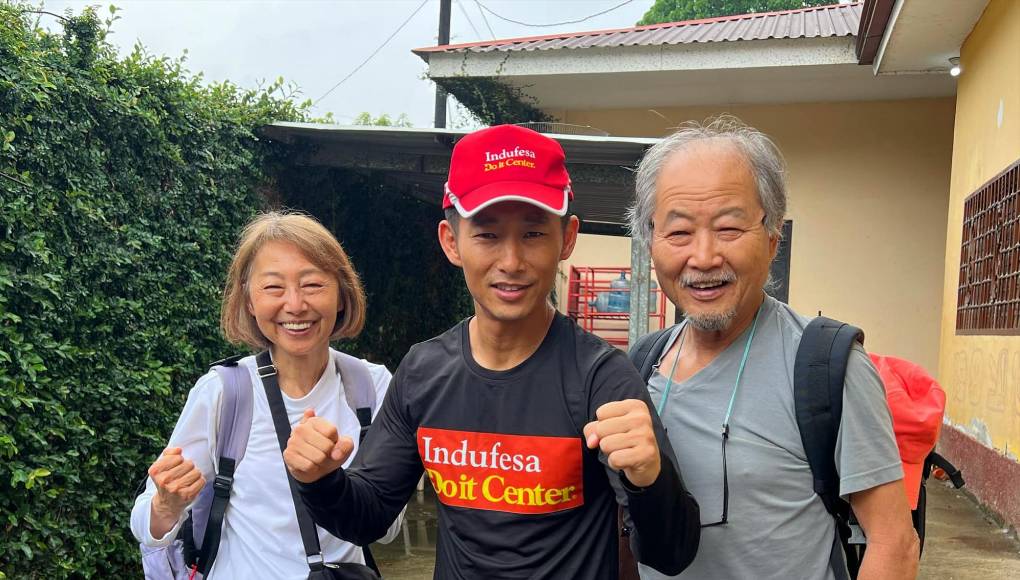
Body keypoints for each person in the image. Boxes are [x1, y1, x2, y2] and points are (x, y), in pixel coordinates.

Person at [283, 124, 700, 579]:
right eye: (486, 234)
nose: (511, 261)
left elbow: (670, 553)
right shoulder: (424, 371)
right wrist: (320, 480)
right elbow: (367, 516)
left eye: (534, 234)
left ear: (566, 239)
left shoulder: (602, 378)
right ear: (451, 241)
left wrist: (649, 479)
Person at [627, 116, 920, 580]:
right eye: (679, 232)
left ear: (772, 237)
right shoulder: (642, 364)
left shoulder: (826, 365)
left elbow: (894, 544)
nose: (703, 257)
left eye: (728, 228)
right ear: (652, 243)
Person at [131, 212, 401, 577]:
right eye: (273, 288)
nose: (295, 304)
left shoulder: (372, 387)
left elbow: (388, 530)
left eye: (313, 285)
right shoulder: (226, 393)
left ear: (342, 294)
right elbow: (148, 525)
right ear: (249, 302)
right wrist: (166, 504)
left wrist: (333, 486)